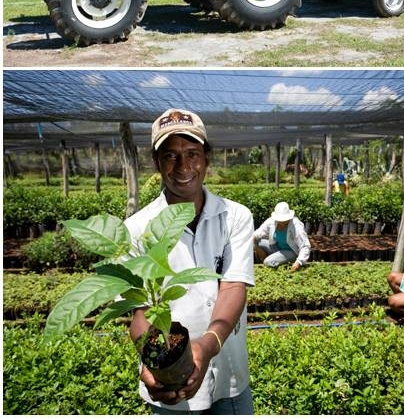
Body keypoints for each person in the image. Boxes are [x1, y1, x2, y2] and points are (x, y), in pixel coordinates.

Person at [125, 108, 255, 414]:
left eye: (192, 153)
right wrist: (153, 362)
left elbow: (234, 286)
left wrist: (206, 346)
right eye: (170, 156)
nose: (183, 165)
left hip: (229, 375)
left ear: (207, 158)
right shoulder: (137, 229)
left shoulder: (235, 216)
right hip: (170, 384)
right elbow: (141, 310)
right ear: (157, 163)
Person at [252, 202, 311, 271]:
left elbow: (305, 246)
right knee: (256, 241)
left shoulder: (296, 225)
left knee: (268, 262)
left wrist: (299, 262)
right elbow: (257, 233)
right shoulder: (272, 221)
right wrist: (254, 245)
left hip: (291, 251)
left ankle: (271, 262)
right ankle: (267, 260)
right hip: (276, 247)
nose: (282, 222)